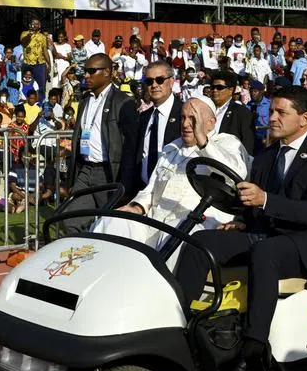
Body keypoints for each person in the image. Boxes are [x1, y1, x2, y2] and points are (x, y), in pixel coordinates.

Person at [175, 86, 307, 371]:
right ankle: (178, 325)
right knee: (201, 241)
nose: (272, 117)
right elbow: (254, 206)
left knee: (266, 253)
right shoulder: (267, 156)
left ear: (305, 118)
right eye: (272, 111)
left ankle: (253, 352)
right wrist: (242, 220)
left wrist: (265, 201)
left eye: (282, 112)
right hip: (267, 234)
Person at [95, 96, 249, 247]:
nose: (186, 124)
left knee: (176, 231)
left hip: (199, 225)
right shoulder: (172, 148)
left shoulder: (227, 142)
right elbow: (151, 188)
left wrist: (203, 141)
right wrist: (137, 206)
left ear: (211, 122)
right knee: (113, 220)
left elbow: (237, 173)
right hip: (155, 223)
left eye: (194, 118)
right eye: (182, 118)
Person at [64, 53, 140, 232]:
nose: (86, 76)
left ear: (106, 72)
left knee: (109, 226)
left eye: (91, 71)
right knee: (70, 221)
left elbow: (131, 146)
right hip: (85, 170)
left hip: (108, 173)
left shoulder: (124, 102)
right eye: (85, 71)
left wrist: (125, 184)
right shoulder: (85, 100)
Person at [136, 60, 181, 187]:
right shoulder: (144, 117)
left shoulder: (184, 113)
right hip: (143, 188)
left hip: (172, 190)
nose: (154, 85)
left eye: (160, 80)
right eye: (149, 81)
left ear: (171, 81)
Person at [210, 69, 254, 151]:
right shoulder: (204, 110)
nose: (214, 90)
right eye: (212, 87)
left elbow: (247, 144)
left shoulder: (242, 112)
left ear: (231, 90)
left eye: (219, 87)